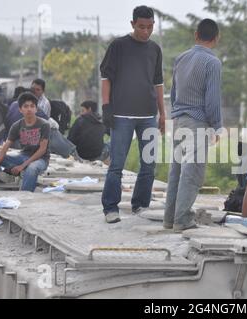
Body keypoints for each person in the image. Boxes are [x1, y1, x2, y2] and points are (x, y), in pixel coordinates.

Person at [99, 5, 165, 224]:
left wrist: (162, 115)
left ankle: (140, 205)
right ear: (132, 24)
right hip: (121, 115)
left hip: (148, 115)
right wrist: (106, 107)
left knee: (149, 165)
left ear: (153, 25)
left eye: (149, 27)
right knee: (117, 164)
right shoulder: (118, 46)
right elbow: (106, 78)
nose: (145, 31)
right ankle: (110, 208)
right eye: (141, 27)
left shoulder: (155, 49)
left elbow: (158, 83)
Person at [163, 19, 223, 232]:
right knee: (193, 171)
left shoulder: (181, 58)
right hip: (197, 122)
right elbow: (212, 99)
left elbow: (173, 92)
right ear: (216, 38)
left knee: (176, 171)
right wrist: (217, 126)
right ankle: (183, 220)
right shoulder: (212, 63)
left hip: (179, 120)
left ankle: (169, 219)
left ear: (196, 34)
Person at [0, 92, 50, 192]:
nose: (29, 109)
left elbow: (42, 149)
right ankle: (4, 180)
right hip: (22, 156)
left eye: (32, 106)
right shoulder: (17, 125)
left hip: (40, 159)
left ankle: (24, 195)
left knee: (31, 169)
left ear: (36, 109)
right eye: (26, 106)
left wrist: (22, 166)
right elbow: (5, 148)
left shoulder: (44, 124)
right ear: (20, 109)